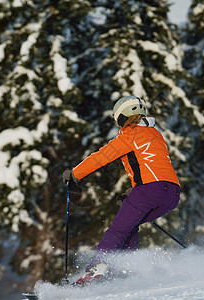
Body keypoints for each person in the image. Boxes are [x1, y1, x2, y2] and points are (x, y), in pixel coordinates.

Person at [63, 95, 180, 285]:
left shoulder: (130, 134)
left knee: (117, 231)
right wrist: (133, 192)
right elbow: (154, 164)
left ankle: (96, 269)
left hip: (149, 190)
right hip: (172, 193)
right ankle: (123, 270)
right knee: (129, 227)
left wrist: (76, 174)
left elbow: (102, 157)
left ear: (122, 116)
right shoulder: (155, 134)